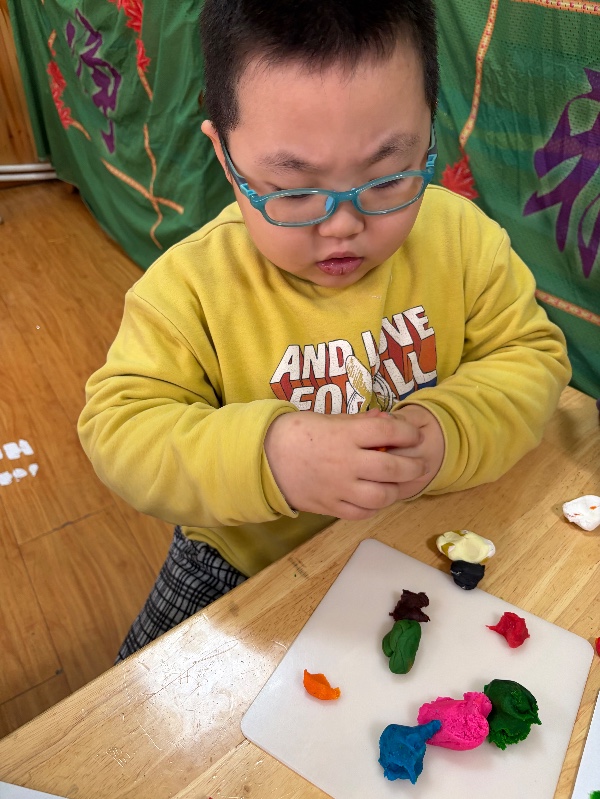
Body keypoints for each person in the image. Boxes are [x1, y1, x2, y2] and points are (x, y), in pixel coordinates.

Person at [77, 0, 571, 661]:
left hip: (414, 534)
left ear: (430, 131)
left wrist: (449, 429)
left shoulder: (463, 241)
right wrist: (271, 457)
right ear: (225, 156)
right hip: (240, 557)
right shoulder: (190, 288)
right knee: (141, 702)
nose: (342, 224)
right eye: (293, 191)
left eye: (388, 178)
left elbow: (532, 356)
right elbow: (119, 428)